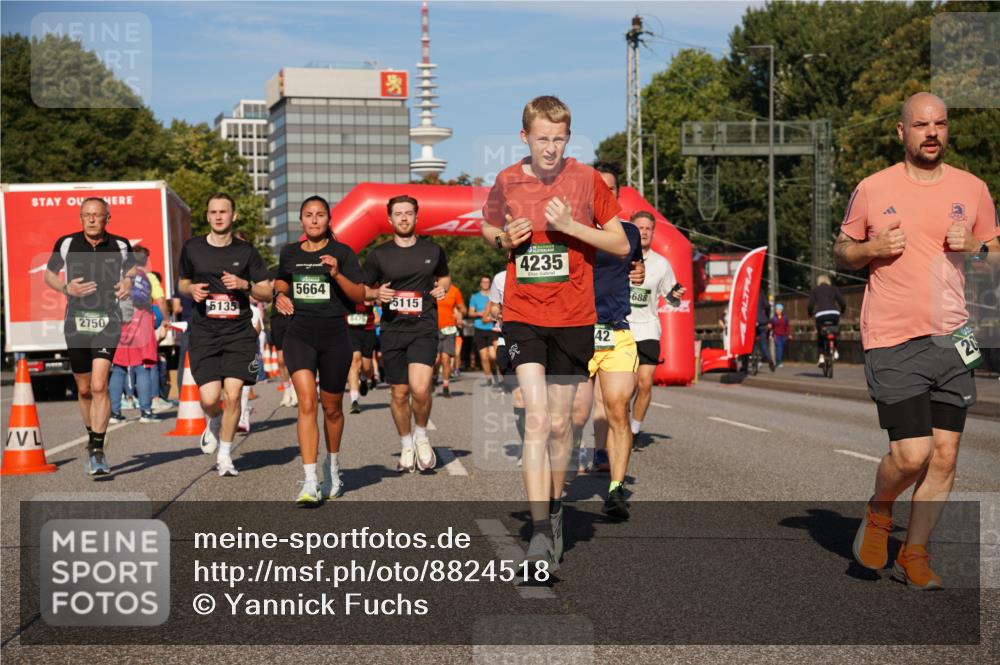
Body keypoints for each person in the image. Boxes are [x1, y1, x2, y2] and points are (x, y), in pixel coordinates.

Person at [836, 92, 999, 590]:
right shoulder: (873, 187)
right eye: (922, 125)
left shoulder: (972, 189)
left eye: (941, 124)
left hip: (953, 336)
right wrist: (870, 248)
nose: (933, 133)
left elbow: (995, 252)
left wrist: (976, 246)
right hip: (892, 336)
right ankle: (880, 511)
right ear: (902, 132)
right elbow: (843, 252)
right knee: (912, 455)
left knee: (946, 455)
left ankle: (915, 553)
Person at [481, 95, 630, 569]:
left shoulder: (585, 180)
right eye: (542, 139)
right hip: (524, 314)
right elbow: (486, 228)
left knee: (564, 426)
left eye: (559, 139)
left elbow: (621, 242)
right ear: (524, 137)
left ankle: (557, 502)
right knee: (539, 419)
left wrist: (572, 227)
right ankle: (540, 532)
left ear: (569, 137)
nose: (550, 148)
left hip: (574, 318)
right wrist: (504, 239)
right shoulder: (507, 180)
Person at [275, 196, 366, 504]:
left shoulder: (343, 252)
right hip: (299, 334)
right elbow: (281, 282)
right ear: (301, 221)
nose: (314, 221)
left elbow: (358, 294)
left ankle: (334, 466)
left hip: (334, 337)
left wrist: (337, 273)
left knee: (332, 408)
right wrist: (279, 295)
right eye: (309, 216)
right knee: (307, 404)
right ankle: (310, 479)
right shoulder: (289, 252)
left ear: (329, 220)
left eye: (320, 215)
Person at [177, 192, 272, 477]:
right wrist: (190, 289)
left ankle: (225, 455)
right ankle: (214, 422)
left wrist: (245, 284)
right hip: (205, 332)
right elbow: (182, 283)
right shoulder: (192, 248)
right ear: (207, 216)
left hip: (238, 334)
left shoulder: (246, 252)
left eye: (223, 211)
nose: (218, 216)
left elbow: (266, 291)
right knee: (209, 399)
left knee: (233, 396)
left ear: (233, 215)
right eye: (213, 212)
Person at [44, 197, 134, 476]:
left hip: (108, 320)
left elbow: (130, 268)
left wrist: (128, 280)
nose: (92, 219)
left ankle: (97, 450)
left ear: (108, 217)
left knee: (98, 386)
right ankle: (93, 434)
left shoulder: (120, 244)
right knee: (83, 389)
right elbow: (49, 274)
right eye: (87, 215)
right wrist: (65, 287)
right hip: (76, 322)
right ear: (81, 218)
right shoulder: (67, 243)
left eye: (97, 215)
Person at [363, 195, 450, 473]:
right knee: (399, 393)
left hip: (423, 327)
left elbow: (444, 277)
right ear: (389, 219)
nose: (403, 218)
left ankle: (422, 436)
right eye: (398, 214)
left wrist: (442, 288)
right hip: (392, 330)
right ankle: (406, 442)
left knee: (421, 388)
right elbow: (362, 291)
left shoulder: (433, 250)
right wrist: (376, 294)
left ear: (416, 216)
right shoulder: (378, 255)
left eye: (408, 213)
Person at [626, 209, 685, 438]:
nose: (644, 232)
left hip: (649, 328)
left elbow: (671, 296)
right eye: (639, 228)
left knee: (645, 384)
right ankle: (620, 425)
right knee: (626, 388)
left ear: (653, 232)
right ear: (631, 230)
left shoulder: (662, 264)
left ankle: (634, 430)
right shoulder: (621, 257)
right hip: (624, 329)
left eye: (648, 228)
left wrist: (676, 296)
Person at [109, 268, 161, 425]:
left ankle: (115, 413)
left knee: (118, 369)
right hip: (142, 321)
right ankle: (145, 411)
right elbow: (149, 300)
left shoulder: (113, 273)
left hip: (120, 324)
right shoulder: (141, 274)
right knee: (143, 368)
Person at [435, 280, 466, 397]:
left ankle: (445, 387)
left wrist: (460, 314)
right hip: (433, 328)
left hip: (449, 329)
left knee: (446, 358)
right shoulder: (430, 288)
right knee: (436, 359)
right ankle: (434, 376)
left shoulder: (455, 291)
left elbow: (463, 308)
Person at [808, 274, 846, 366]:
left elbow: (810, 305)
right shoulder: (834, 289)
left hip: (821, 315)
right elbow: (842, 302)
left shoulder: (815, 290)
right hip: (834, 313)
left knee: (820, 334)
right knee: (834, 330)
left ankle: (821, 357)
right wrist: (842, 310)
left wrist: (810, 313)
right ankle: (835, 350)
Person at [347, 299, 377, 413]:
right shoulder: (347, 281)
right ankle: (354, 401)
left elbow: (380, 298)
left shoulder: (373, 282)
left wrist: (374, 299)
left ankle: (364, 379)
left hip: (368, 329)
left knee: (366, 368)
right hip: (350, 329)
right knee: (355, 361)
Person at [468, 276, 498, 386]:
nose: (485, 283)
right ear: (480, 283)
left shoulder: (494, 296)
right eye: (483, 282)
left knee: (493, 356)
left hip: (492, 328)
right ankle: (488, 378)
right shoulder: (475, 297)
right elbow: (470, 313)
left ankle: (494, 369)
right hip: (479, 328)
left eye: (487, 282)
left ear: (490, 283)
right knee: (484, 357)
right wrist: (479, 313)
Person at [770, 303, 791, 368]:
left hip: (783, 335)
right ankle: (778, 362)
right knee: (779, 348)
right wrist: (771, 334)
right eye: (777, 309)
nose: (778, 311)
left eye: (779, 309)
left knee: (781, 349)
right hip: (777, 335)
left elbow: (787, 326)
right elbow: (772, 327)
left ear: (782, 310)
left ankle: (779, 361)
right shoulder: (774, 318)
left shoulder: (785, 317)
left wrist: (789, 334)